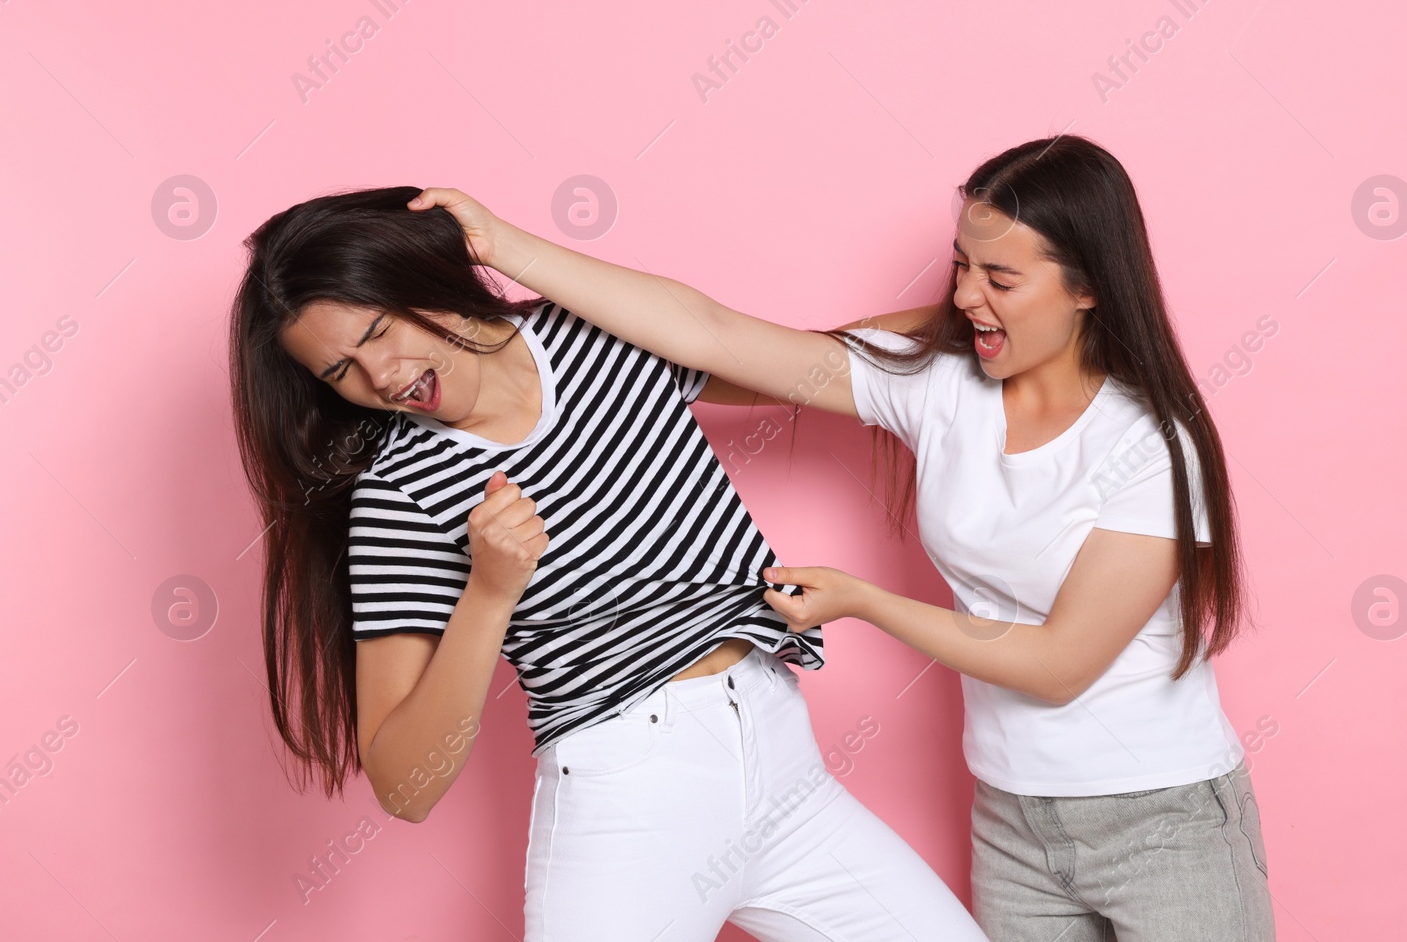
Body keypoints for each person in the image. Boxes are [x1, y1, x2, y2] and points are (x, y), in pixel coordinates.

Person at [410, 133, 1276, 941]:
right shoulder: (940, 385)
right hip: (1014, 819)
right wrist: (501, 246)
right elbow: (716, 335)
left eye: (1002, 279)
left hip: (1163, 815)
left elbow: (1061, 662)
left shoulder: (1150, 444)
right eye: (961, 266)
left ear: (1088, 286)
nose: (966, 296)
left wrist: (863, 600)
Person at [227, 186, 990, 942]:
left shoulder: (595, 337)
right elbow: (405, 785)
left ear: (419, 279)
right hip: (627, 802)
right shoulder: (399, 498)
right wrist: (489, 595)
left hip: (783, 762)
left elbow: (804, 361)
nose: (382, 377)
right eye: (340, 373)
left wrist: (1003, 322)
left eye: (380, 330)